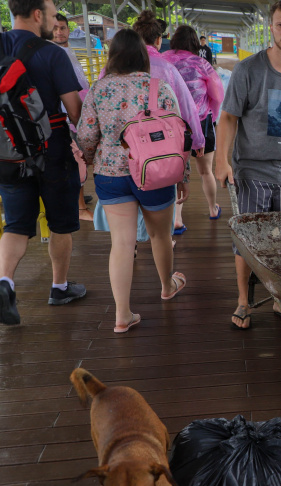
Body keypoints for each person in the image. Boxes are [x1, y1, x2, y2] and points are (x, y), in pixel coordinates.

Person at [215, 0, 281, 330]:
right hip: (250, 169)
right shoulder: (248, 70)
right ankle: (244, 301)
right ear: (271, 28)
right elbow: (228, 118)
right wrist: (222, 161)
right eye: (280, 25)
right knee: (248, 239)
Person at [77, 29, 188, 333]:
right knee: (160, 236)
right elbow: (179, 135)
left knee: (122, 243)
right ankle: (167, 286)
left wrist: (92, 159)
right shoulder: (159, 87)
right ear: (142, 53)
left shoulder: (99, 89)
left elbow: (86, 136)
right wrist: (183, 175)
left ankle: (122, 315)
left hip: (111, 176)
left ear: (112, 55)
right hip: (155, 173)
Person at [0, 0, 85, 325]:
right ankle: (59, 287)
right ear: (38, 15)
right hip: (53, 150)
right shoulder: (53, 54)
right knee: (61, 222)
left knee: (16, 225)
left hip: (8, 150)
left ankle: (5, 282)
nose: (53, 21)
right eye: (51, 15)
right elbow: (74, 111)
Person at [131, 11, 204, 234]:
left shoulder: (115, 67)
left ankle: (132, 240)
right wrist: (197, 141)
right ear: (159, 40)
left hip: (126, 148)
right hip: (160, 147)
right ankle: (162, 237)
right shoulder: (167, 69)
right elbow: (186, 109)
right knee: (159, 199)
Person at [163, 26, 224, 222]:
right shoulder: (201, 64)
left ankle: (177, 219)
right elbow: (218, 94)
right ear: (195, 43)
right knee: (206, 171)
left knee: (176, 173)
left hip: (170, 125)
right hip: (201, 122)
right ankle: (212, 209)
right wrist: (212, 115)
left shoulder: (163, 60)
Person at [52, 13, 93, 222]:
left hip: (77, 112)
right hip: (69, 116)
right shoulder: (55, 53)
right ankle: (79, 208)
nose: (59, 32)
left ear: (69, 29)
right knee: (77, 160)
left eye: (62, 28)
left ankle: (77, 198)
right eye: (55, 28)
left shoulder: (67, 52)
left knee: (77, 160)